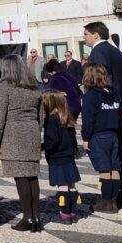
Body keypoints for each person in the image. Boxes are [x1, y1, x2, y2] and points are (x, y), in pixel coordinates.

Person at [83, 21, 122, 208]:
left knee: (107, 162)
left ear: (95, 35)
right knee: (121, 154)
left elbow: (102, 82)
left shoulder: (98, 53)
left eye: (86, 34)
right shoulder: (117, 52)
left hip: (105, 111)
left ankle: (108, 200)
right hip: (121, 107)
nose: (85, 38)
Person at [0, 54, 44, 233]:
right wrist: (36, 129)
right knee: (32, 175)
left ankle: (27, 217)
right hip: (32, 131)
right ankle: (35, 216)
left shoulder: (3, 87)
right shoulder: (33, 88)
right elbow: (41, 115)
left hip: (13, 133)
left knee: (20, 176)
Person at [81, 64, 122, 213]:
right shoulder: (114, 92)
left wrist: (85, 138)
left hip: (98, 135)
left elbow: (88, 119)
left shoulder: (91, 95)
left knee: (104, 169)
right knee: (114, 168)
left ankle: (106, 202)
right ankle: (114, 202)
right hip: (113, 134)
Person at [42, 90, 81, 224]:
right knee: (71, 184)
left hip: (57, 156)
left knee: (62, 186)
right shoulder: (67, 117)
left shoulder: (52, 119)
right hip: (69, 156)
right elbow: (73, 138)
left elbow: (52, 140)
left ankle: (64, 215)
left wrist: (44, 146)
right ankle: (73, 213)